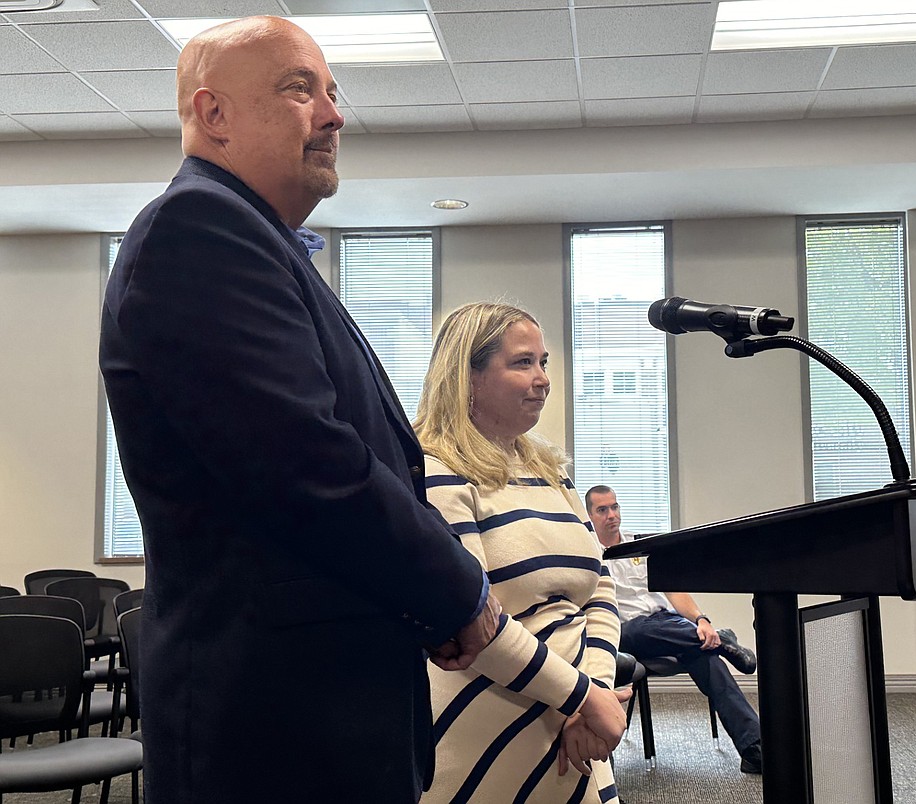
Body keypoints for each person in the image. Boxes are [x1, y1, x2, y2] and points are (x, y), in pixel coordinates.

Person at [99, 17, 501, 804]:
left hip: (314, 712)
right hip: (272, 730)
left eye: (332, 92)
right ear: (212, 115)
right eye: (298, 89)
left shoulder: (259, 242)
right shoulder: (199, 230)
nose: (333, 114)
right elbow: (309, 465)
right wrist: (459, 592)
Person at [413, 302, 626, 803]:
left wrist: (593, 691)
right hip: (487, 725)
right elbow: (468, 618)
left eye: (544, 362)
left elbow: (601, 584)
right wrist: (581, 696)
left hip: (576, 728)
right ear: (469, 375)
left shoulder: (552, 471)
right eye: (523, 363)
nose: (543, 378)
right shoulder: (436, 470)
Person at [586, 485, 764, 774]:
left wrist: (703, 621)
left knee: (707, 658)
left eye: (615, 507)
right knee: (642, 630)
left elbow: (674, 592)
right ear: (590, 515)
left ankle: (754, 749)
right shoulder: (590, 553)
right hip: (626, 633)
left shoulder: (641, 545)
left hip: (667, 625)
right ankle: (724, 641)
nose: (611, 515)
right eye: (602, 510)